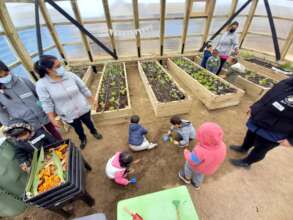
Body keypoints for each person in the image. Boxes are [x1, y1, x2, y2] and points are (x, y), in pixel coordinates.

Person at [34, 55, 102, 150]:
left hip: (82, 107)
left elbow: (83, 88)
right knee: (77, 128)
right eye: (57, 66)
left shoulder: (70, 75)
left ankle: (94, 131)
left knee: (89, 122)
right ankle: (82, 138)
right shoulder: (41, 85)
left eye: (60, 64)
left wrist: (92, 99)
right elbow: (46, 102)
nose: (61, 68)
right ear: (48, 69)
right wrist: (52, 118)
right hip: (67, 113)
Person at [230, 77, 293, 168]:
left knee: (260, 149)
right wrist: (254, 107)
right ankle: (244, 148)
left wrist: (291, 141)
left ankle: (247, 162)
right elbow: (268, 96)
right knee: (250, 136)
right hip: (259, 119)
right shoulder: (287, 81)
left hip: (276, 131)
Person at [0, 60, 62, 140]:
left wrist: (48, 110)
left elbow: (39, 96)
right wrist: (12, 125)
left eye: (5, 74)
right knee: (42, 139)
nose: (4, 77)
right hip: (25, 123)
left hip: (43, 115)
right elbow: (1, 112)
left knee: (54, 131)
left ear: (8, 70)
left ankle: (63, 144)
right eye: (0, 77)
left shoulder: (23, 80)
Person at [178, 122, 226, 189]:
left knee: (188, 166)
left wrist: (187, 153)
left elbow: (193, 160)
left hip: (198, 166)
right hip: (208, 168)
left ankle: (186, 178)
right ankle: (196, 184)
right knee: (199, 174)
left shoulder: (201, 150)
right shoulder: (222, 146)